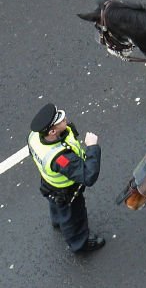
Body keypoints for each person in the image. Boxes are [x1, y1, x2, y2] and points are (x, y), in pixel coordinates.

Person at [28, 103, 104, 253]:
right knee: (74, 218)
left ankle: (57, 221)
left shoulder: (34, 136)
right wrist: (92, 147)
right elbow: (88, 176)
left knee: (56, 206)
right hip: (67, 192)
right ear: (52, 131)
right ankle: (80, 244)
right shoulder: (61, 158)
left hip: (49, 183)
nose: (66, 120)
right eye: (61, 121)